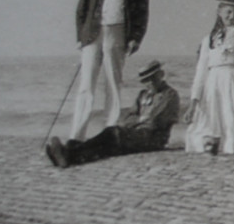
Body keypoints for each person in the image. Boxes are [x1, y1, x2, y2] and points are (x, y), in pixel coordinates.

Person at [71, 0, 150, 140]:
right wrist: (81, 36)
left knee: (114, 83)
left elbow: (142, 11)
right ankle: (77, 135)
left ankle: (110, 131)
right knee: (86, 85)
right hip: (92, 34)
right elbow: (82, 8)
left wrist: (136, 37)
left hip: (118, 32)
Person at [46, 60, 178, 167]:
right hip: (137, 134)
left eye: (152, 79)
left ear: (161, 75)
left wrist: (137, 120)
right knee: (107, 148)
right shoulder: (142, 95)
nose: (148, 83)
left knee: (112, 133)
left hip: (153, 139)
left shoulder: (169, 95)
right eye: (145, 80)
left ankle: (69, 150)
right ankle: (68, 156)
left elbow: (154, 121)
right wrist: (139, 120)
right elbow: (129, 117)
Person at [184, 0, 234, 155]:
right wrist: (194, 99)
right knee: (211, 117)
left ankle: (231, 144)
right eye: (228, 11)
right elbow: (201, 69)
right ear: (219, 12)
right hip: (213, 82)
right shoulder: (210, 38)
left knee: (231, 114)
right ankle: (211, 143)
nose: (231, 16)